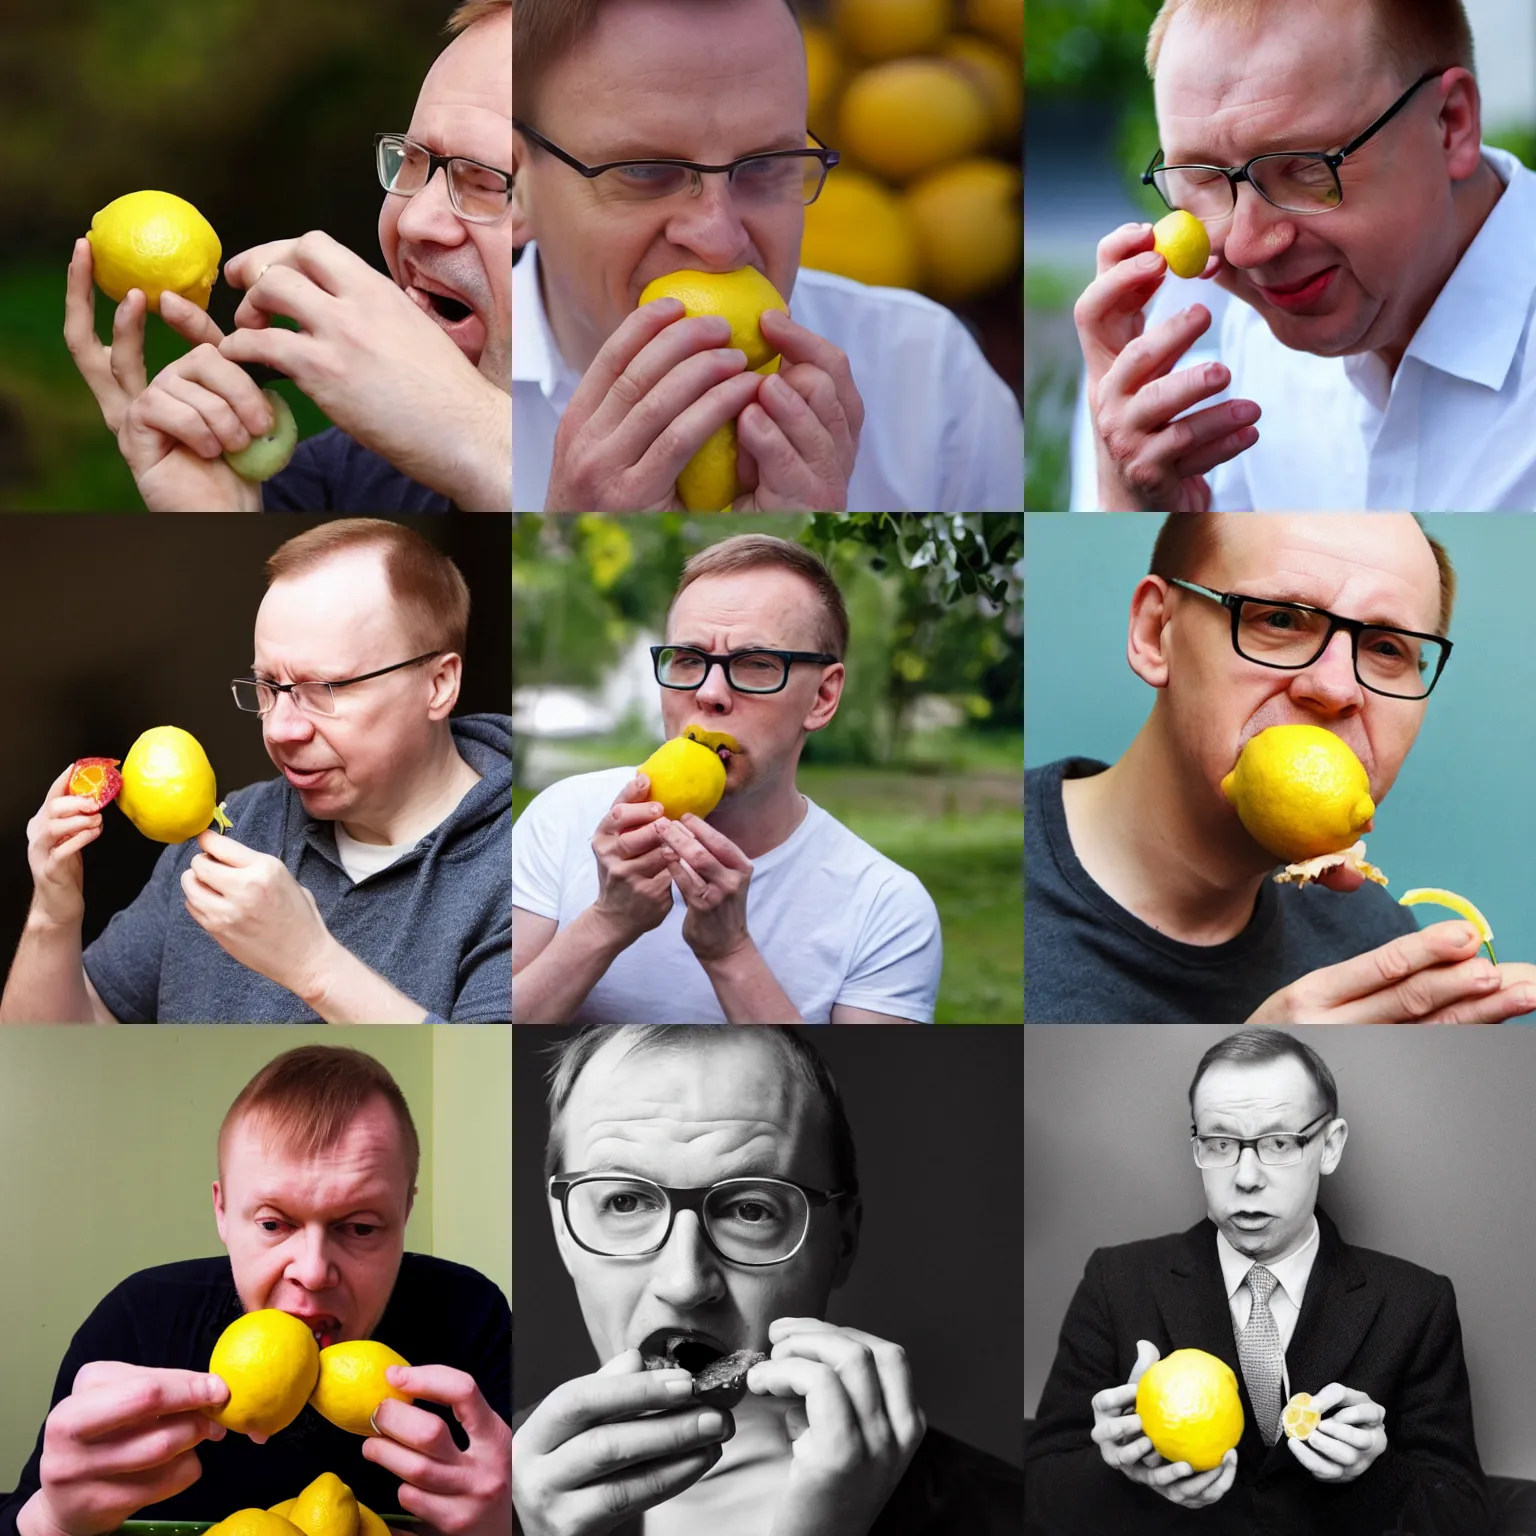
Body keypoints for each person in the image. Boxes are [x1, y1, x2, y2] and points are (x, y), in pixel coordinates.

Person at [511, 0, 1024, 513]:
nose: (721, 240)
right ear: (513, 185)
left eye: (767, 165)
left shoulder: (931, 380)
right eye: (645, 171)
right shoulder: (446, 392)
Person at [1025, 512, 1536, 1023]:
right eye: (1281, 619)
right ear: (1157, 631)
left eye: (1386, 648)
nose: (1336, 688)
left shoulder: (1377, 950)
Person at [512, 1023, 1022, 1535]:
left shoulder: (1009, 1515)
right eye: (625, 1202)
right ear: (564, 1231)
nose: (685, 1282)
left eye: (750, 1210)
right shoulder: (463, 1476)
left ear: (842, 1241)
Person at [0, 519, 510, 1024]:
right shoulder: (230, 828)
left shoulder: (524, 857)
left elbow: (483, 1095)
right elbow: (59, 1049)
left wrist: (312, 964)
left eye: (325, 689)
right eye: (268, 686)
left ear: (439, 684)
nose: (281, 730)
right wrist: (52, 913)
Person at [0, 1045, 512, 1536]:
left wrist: (509, 1525)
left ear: (405, 1212)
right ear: (222, 1212)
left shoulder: (472, 1317)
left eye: (359, 1227)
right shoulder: (139, 1320)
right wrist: (51, 1522)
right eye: (273, 1224)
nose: (312, 1272)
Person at [1072, 0, 1536, 511]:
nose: (1246, 249)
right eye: (1203, 177)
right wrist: (1129, 495)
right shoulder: (1199, 341)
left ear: (1451, 124)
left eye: (1306, 167)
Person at [1025, 1030, 1492, 1535]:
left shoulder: (1415, 1302)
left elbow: (1463, 1517)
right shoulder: (1117, 1281)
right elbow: (1038, 1496)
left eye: (1278, 1143)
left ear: (1330, 1146)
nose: (1246, 1177)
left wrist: (1372, 1473)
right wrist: (1122, 1471)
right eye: (1220, 1143)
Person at [62, 0, 511, 512]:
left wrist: (488, 444)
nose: (411, 220)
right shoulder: (329, 482)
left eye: (486, 181)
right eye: (412, 161)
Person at [512, 534, 941, 1024]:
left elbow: (854, 1097)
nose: (709, 693)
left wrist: (729, 952)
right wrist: (607, 921)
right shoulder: (563, 817)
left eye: (756, 664)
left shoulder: (885, 907)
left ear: (822, 697)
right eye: (690, 660)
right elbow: (490, 1043)